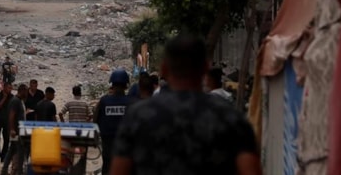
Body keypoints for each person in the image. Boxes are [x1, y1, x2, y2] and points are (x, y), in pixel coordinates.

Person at [110, 35, 261, 175]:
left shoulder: (137, 117)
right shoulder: (230, 118)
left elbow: (119, 170)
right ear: (205, 69)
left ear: (164, 69)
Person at [93, 68, 132, 175]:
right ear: (126, 86)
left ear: (112, 85)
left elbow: (95, 119)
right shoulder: (131, 102)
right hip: (126, 141)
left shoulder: (104, 101)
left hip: (108, 141)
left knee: (107, 164)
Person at [0, 83, 28, 175]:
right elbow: (11, 116)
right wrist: (12, 129)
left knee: (12, 150)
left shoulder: (19, 101)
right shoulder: (15, 101)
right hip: (16, 131)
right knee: (20, 151)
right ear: (22, 91)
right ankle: (19, 171)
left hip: (18, 130)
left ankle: (4, 170)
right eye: (26, 91)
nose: (27, 93)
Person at [0, 82, 13, 162]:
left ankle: (3, 155)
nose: (10, 90)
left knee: (6, 138)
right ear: (4, 88)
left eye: (11, 88)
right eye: (9, 88)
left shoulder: (12, 97)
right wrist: (4, 98)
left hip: (8, 120)